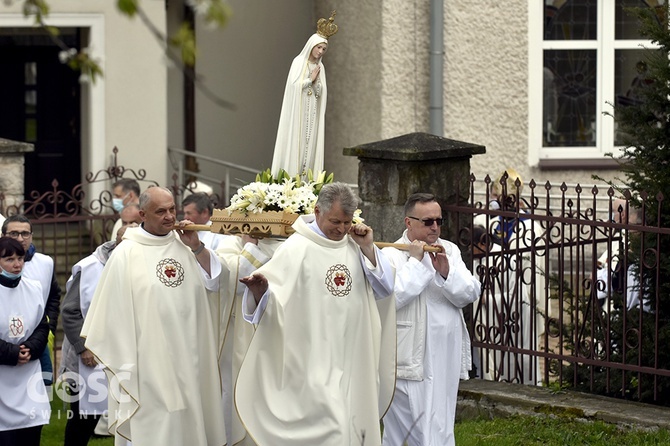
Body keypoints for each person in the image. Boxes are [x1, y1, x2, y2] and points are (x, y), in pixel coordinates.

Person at [237, 182, 396, 446]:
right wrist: (261, 291)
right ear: (317, 211)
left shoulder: (354, 246)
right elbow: (274, 303)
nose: (341, 229)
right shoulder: (296, 247)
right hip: (311, 358)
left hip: (351, 355)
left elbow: (385, 289)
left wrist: (368, 247)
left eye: (347, 222)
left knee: (347, 423)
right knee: (332, 423)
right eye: (335, 221)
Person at [81, 186, 227, 446]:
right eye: (161, 211)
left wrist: (196, 248)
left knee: (190, 423)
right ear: (142, 214)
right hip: (147, 361)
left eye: (172, 209)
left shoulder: (186, 243)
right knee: (156, 426)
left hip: (191, 356)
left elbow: (216, 283)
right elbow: (110, 313)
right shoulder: (126, 252)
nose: (170, 216)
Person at [381, 193, 481, 446]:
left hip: (444, 352)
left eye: (439, 220)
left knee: (441, 421)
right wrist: (416, 263)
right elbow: (390, 300)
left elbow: (470, 293)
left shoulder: (450, 250)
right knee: (410, 423)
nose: (435, 227)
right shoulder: (391, 254)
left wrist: (446, 272)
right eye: (427, 221)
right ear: (408, 222)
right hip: (410, 355)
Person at [60, 224, 135, 446]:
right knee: (83, 419)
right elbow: (71, 311)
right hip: (88, 356)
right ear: (117, 242)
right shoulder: (89, 267)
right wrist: (84, 347)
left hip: (124, 354)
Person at [215, 234, 282, 445]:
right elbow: (234, 281)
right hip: (238, 335)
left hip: (277, 332)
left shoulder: (290, 246)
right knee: (234, 389)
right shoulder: (231, 244)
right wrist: (251, 247)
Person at [270, 11, 338, 177]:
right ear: (311, 46)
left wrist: (317, 83)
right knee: (297, 144)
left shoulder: (321, 68)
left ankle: (306, 180)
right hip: (298, 114)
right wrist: (310, 79)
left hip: (311, 115)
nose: (321, 51)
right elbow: (293, 87)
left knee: (309, 145)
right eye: (319, 47)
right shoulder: (298, 62)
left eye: (324, 49)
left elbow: (321, 93)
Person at [0, 236, 50, 446]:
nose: (17, 264)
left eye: (20, 258)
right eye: (9, 259)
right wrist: (11, 353)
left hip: (28, 374)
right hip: (2, 376)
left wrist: (30, 348)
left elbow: (42, 325)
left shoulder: (34, 288)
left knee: (30, 436)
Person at [2, 215, 61, 385]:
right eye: (14, 233)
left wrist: (49, 327)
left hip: (36, 338)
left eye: (25, 233)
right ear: (3, 234)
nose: (20, 238)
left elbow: (53, 296)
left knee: (43, 386)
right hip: (5, 340)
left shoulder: (45, 263)